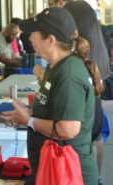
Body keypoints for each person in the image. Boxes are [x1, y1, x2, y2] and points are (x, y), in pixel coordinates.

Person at [1, 7, 99, 185]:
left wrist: (29, 121)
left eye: (34, 34)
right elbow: (56, 110)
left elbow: (68, 129)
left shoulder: (68, 73)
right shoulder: (56, 66)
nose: (29, 38)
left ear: (51, 40)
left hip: (69, 174)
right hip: (55, 169)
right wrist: (30, 113)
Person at [64, 2, 110, 184]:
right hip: (96, 105)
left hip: (85, 107)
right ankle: (96, 177)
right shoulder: (96, 42)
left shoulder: (78, 49)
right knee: (95, 137)